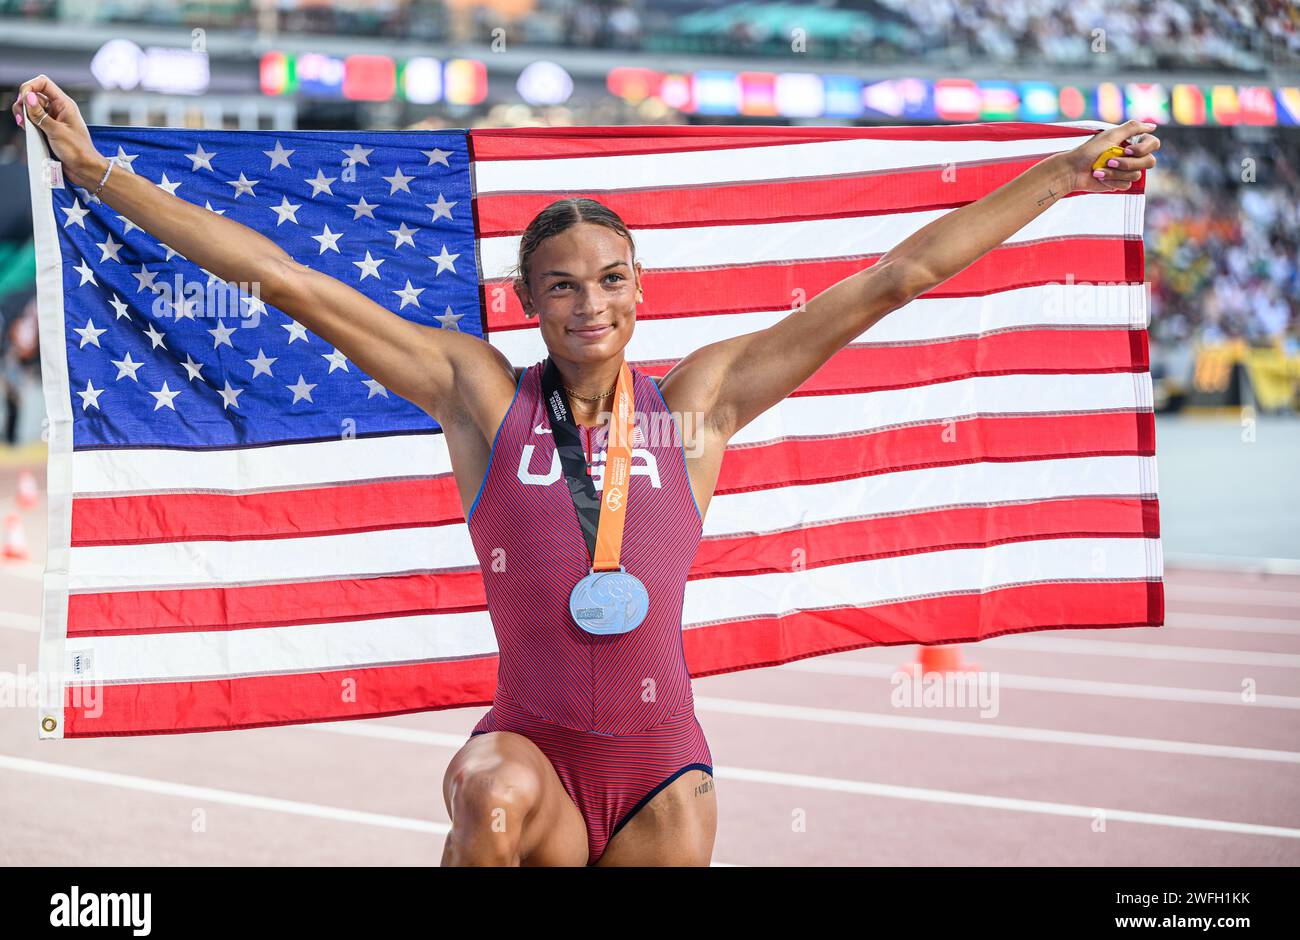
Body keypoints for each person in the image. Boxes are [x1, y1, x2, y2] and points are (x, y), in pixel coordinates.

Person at [11, 75, 1160, 866]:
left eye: (611, 279)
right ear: (527, 303)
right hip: (535, 754)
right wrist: (98, 172)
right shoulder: (480, 395)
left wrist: (1061, 176)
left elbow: (896, 277)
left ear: (641, 288)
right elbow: (291, 281)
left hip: (664, 773)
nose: (589, 303)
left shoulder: (695, 407)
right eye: (562, 285)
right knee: (492, 806)